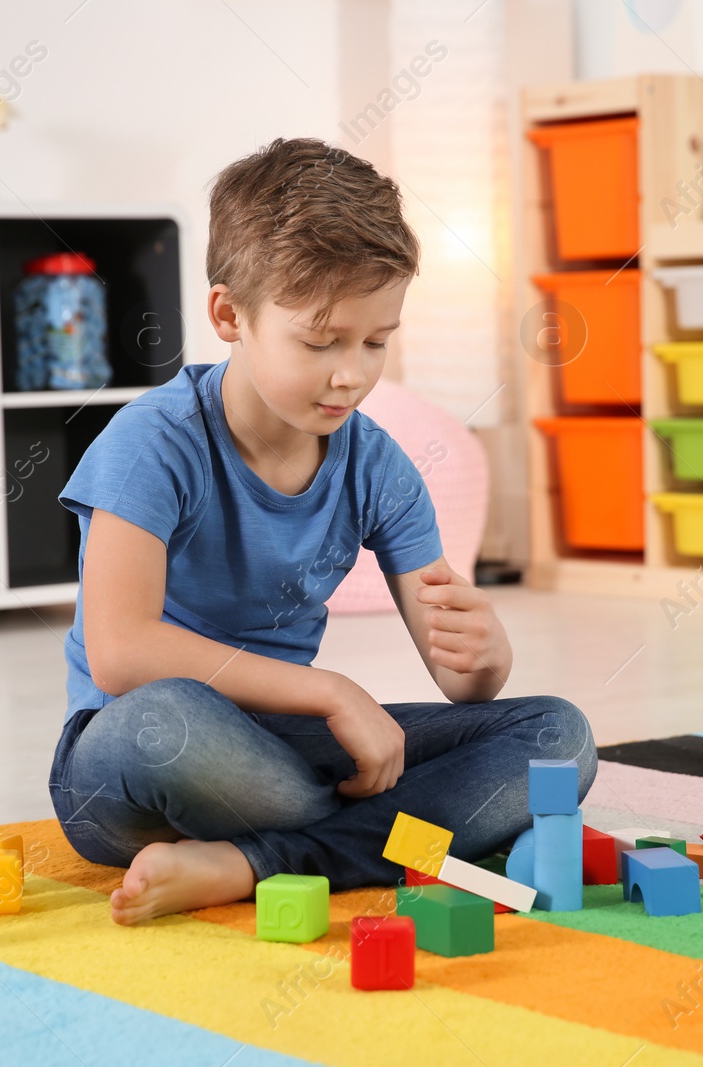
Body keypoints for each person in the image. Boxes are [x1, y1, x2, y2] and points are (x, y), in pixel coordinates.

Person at [48, 136, 596, 925]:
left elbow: (460, 684)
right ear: (230, 314)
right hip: (136, 759)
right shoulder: (153, 441)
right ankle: (383, 839)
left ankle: (254, 862)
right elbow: (122, 650)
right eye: (321, 341)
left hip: (286, 754)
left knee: (556, 735)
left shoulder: (379, 467)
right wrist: (329, 690)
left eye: (377, 342)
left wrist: (486, 657)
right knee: (168, 723)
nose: (353, 374)